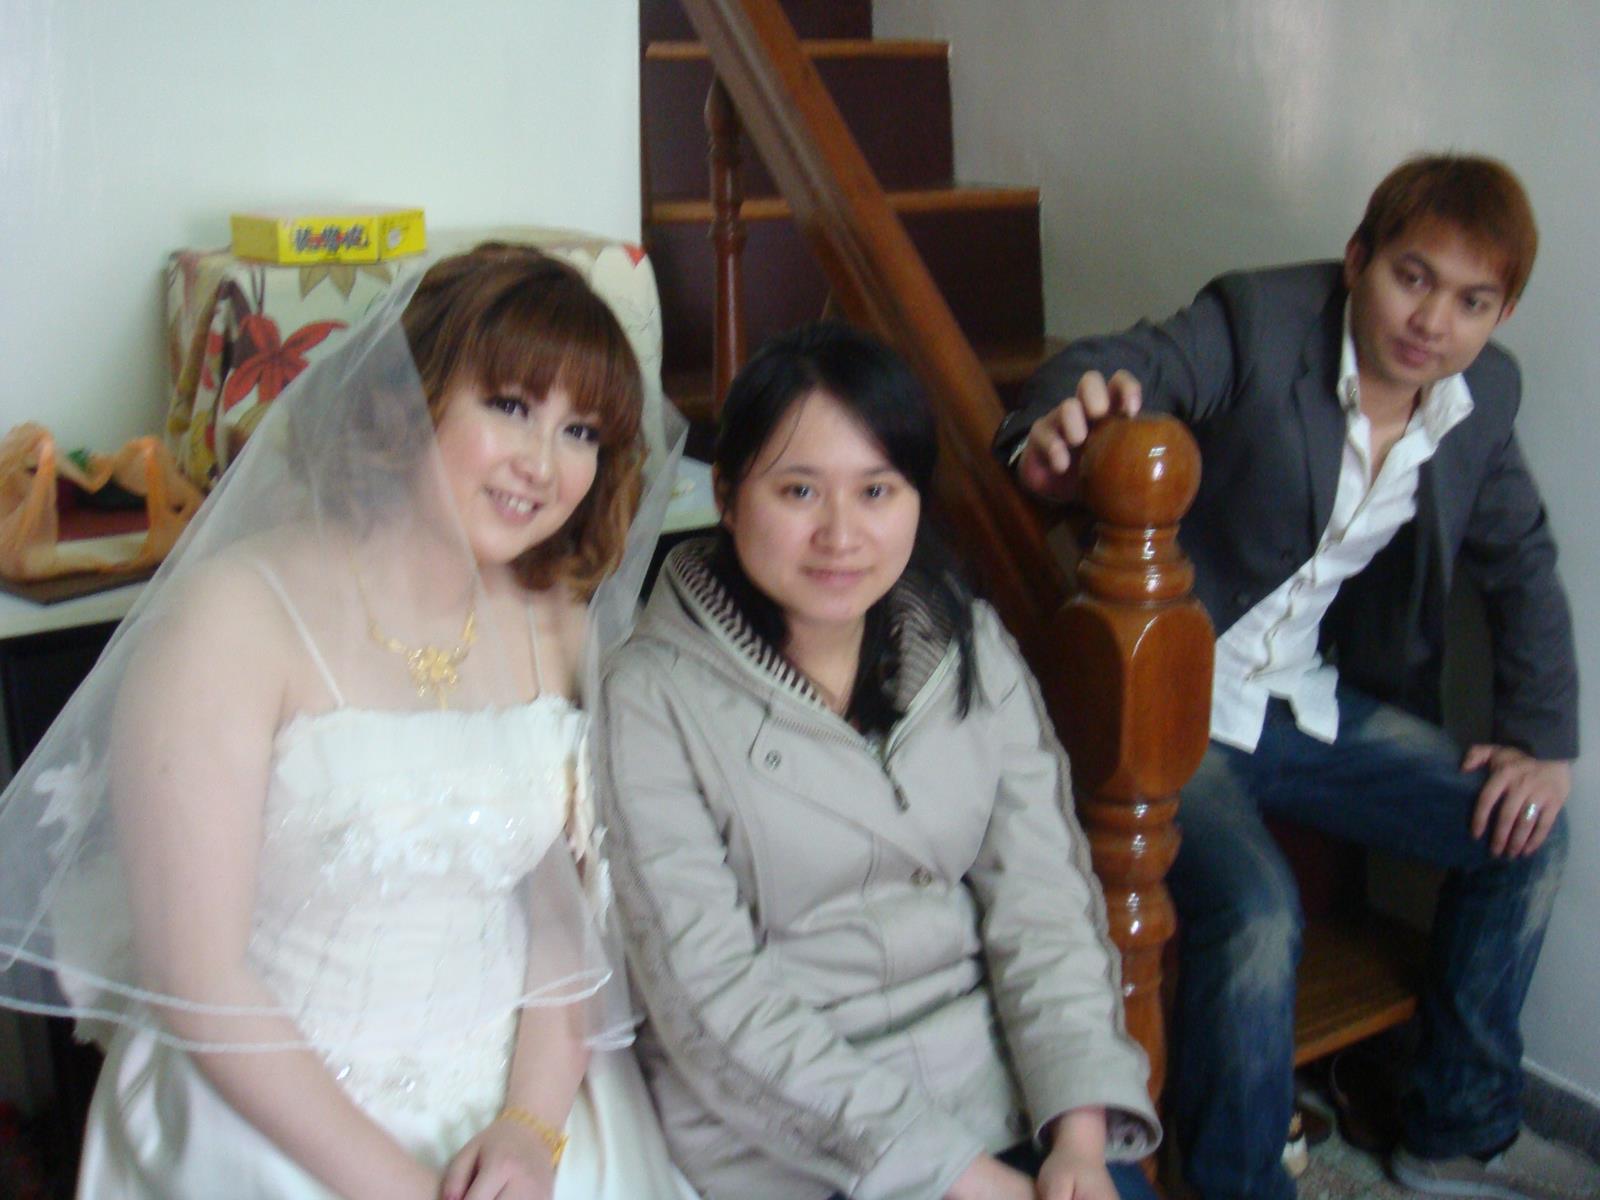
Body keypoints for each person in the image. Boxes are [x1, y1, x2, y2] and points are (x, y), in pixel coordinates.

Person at [0, 244, 698, 1200]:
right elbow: (197, 972)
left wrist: (530, 1130)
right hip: (268, 1098)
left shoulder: (557, 623)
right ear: (405, 400)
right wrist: (403, 1189)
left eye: (581, 432)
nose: (543, 464)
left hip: (521, 1094)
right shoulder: (230, 620)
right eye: (509, 406)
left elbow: (560, 919)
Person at [994, 154, 1594, 1200]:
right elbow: (1119, 365)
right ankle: (1239, 1183)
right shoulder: (1261, 322)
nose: (1432, 322)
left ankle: (1453, 1126)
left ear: (1499, 315)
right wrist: (1059, 423)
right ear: (1358, 259)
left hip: (1301, 698)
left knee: (1529, 831)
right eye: (1412, 277)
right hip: (1173, 699)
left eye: (1471, 301)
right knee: (1260, 909)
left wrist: (1544, 744)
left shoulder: (1481, 395)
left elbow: (1521, 563)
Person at [595, 321, 1162, 1200]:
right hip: (793, 1140)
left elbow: (1043, 897)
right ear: (730, 495)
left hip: (1001, 1093)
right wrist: (965, 1180)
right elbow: (711, 1002)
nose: (841, 534)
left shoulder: (964, 639)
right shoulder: (648, 695)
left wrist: (1080, 1140)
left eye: (876, 491)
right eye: (798, 491)